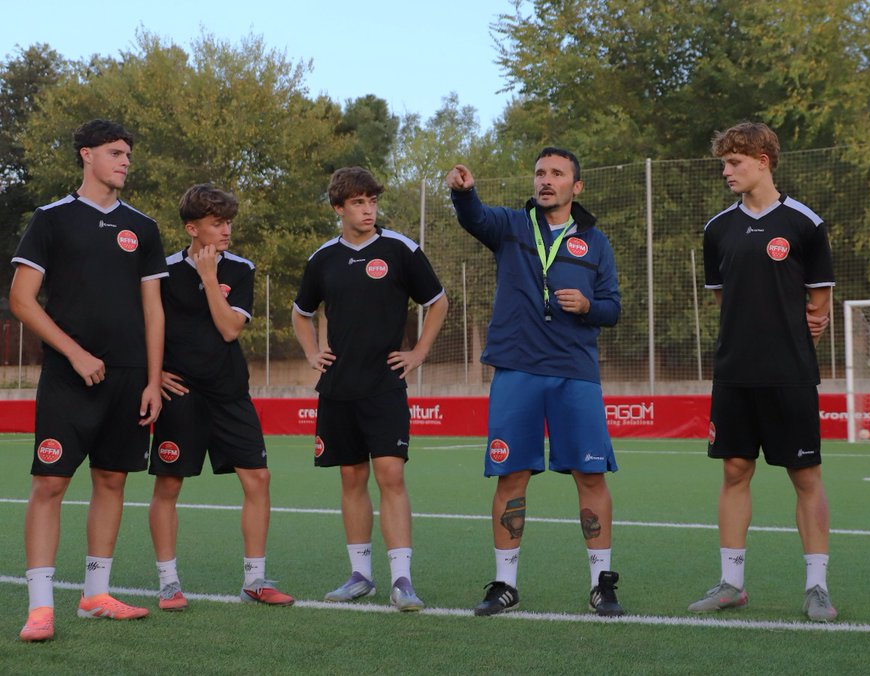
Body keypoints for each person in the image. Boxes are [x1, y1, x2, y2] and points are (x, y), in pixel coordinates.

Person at [447, 148, 624, 617]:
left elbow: (613, 308)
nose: (546, 180)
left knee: (591, 475)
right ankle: (505, 584)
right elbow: (475, 218)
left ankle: (601, 584)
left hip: (574, 372)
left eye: (558, 174)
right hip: (517, 369)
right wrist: (463, 193)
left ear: (576, 186)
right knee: (511, 475)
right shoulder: (511, 225)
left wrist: (588, 307)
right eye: (541, 173)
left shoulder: (596, 242)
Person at [10, 119, 167, 642]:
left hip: (128, 379)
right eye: (115, 152)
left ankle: (95, 595)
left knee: (112, 480)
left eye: (128, 153)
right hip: (68, 376)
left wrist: (151, 380)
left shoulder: (142, 228)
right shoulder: (51, 220)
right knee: (50, 483)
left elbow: (153, 312)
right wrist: (76, 353)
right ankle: (39, 608)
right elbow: (21, 300)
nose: (125, 161)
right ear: (86, 155)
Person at [690, 122, 837, 622]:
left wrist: (791, 335)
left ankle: (816, 587)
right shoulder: (717, 229)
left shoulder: (803, 223)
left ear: (762, 161)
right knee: (734, 471)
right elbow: (723, 298)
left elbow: (820, 305)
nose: (726, 172)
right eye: (724, 163)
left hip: (790, 372)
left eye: (734, 163)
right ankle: (732, 583)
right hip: (734, 371)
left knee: (805, 475)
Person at [292, 167, 448, 611]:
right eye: (358, 203)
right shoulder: (322, 258)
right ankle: (361, 575)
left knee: (391, 475)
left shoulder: (400, 250)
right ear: (339, 208)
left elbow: (438, 303)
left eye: (372, 201)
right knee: (351, 476)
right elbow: (300, 312)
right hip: (339, 387)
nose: (368, 209)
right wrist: (311, 352)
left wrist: (417, 353)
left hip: (384, 383)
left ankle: (403, 580)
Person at [148, 184, 293, 611]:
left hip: (229, 392)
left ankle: (255, 580)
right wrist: (151, 376)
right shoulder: (161, 270)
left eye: (229, 222)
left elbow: (230, 329)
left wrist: (210, 277)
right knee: (169, 484)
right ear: (192, 228)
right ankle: (169, 583)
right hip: (181, 395)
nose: (226, 230)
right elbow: (144, 327)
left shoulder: (240, 269)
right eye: (217, 223)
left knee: (258, 479)